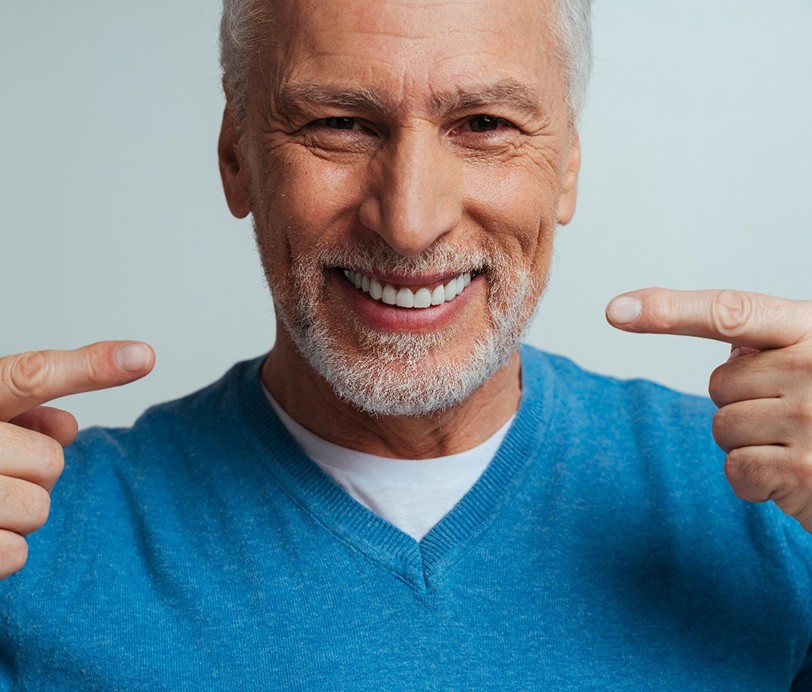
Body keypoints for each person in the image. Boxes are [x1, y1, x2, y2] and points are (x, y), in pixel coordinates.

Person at [1, 0, 811, 687]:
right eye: (340, 125)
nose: (411, 221)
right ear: (236, 156)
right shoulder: (31, 541)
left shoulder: (775, 505)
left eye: (485, 124)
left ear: (566, 165)